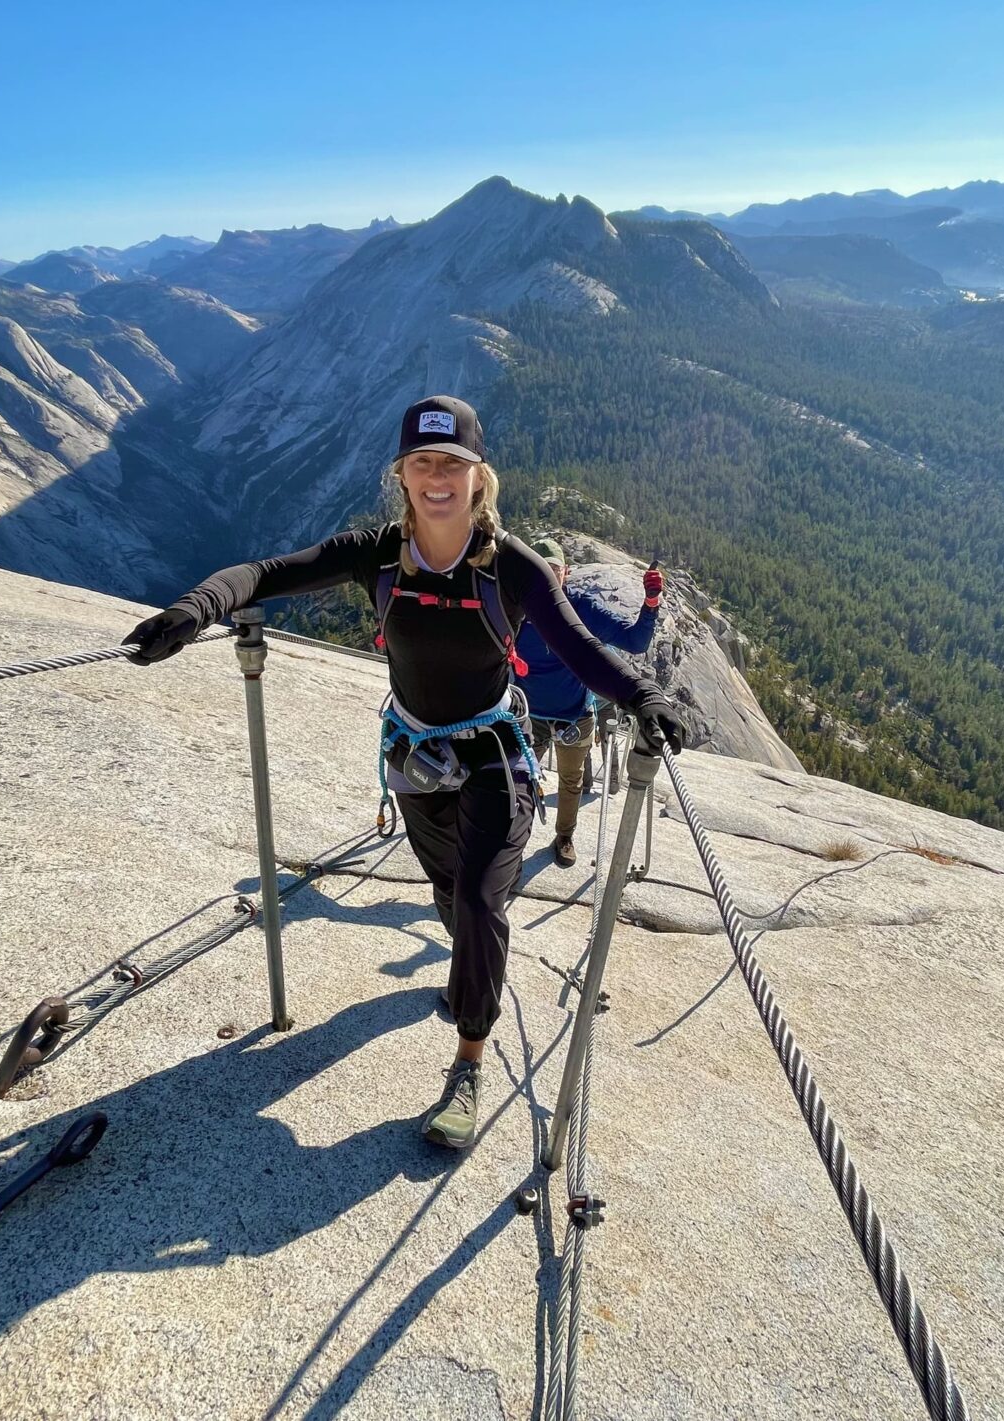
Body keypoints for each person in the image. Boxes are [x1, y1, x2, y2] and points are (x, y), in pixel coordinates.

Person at [122, 394, 684, 1151]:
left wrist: (643, 694)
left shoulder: (509, 568)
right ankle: (468, 972)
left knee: (482, 899)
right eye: (422, 462)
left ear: (479, 476)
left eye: (452, 462)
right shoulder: (378, 553)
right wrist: (194, 610)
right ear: (402, 474)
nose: (437, 476)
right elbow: (264, 573)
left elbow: (580, 647)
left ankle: (468, 1060)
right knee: (451, 897)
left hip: (493, 757)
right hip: (415, 761)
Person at [517, 537, 664, 867]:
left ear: (565, 573)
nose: (546, 576)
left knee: (570, 782)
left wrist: (650, 603)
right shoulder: (515, 607)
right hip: (528, 715)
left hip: (575, 714)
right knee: (518, 781)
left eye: (552, 570)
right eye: (538, 569)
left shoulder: (581, 607)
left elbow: (635, 641)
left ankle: (564, 837)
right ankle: (513, 844)